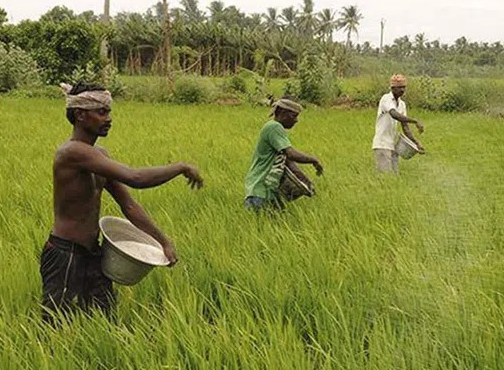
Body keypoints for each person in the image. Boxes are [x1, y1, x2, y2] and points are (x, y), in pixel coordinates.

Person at [40, 81, 204, 319]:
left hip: (92, 252)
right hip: (65, 254)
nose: (109, 118)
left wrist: (163, 242)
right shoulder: (72, 153)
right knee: (56, 324)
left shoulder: (99, 156)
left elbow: (128, 205)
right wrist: (180, 167)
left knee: (103, 318)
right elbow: (134, 177)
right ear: (80, 115)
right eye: (101, 112)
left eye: (109, 112)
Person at [244, 98, 323, 211]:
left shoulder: (275, 131)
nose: (296, 121)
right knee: (264, 226)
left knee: (276, 223)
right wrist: (314, 160)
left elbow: (289, 162)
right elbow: (291, 154)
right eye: (293, 116)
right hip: (261, 191)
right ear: (282, 113)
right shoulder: (274, 127)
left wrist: (306, 183)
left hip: (267, 191)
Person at [372, 74, 425, 174]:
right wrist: (415, 121)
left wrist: (416, 143)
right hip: (382, 144)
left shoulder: (401, 104)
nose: (402, 90)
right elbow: (394, 115)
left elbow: (405, 127)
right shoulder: (386, 99)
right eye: (399, 87)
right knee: (385, 177)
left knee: (394, 176)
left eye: (404, 87)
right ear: (392, 88)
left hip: (393, 145)